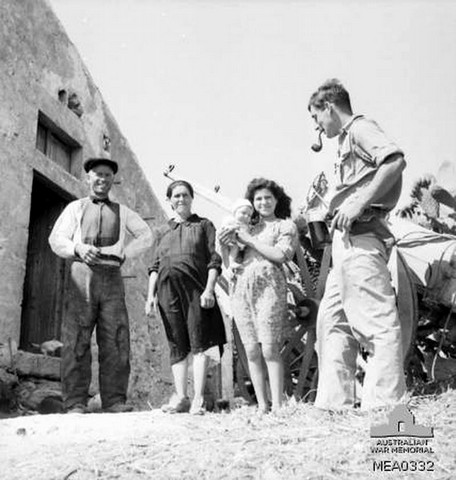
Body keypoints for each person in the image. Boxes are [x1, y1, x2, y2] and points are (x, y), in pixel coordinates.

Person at [307, 79, 407, 410]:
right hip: (346, 242)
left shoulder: (361, 128)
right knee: (332, 322)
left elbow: (394, 161)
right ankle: (333, 405)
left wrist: (358, 203)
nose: (317, 127)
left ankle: (385, 408)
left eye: (316, 117)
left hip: (361, 236)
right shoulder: (345, 140)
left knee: (377, 323)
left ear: (328, 107)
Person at [49, 156, 153, 413]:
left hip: (112, 277)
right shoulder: (75, 207)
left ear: (112, 180)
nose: (102, 179)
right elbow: (56, 238)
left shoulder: (123, 211)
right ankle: (75, 402)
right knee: (77, 336)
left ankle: (115, 400)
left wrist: (125, 254)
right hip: (81, 274)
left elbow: (146, 235)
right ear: (89, 178)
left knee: (116, 336)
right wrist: (78, 248)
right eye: (98, 174)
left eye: (107, 175)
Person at [145, 180, 226, 415]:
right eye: (176, 196)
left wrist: (209, 290)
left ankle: (198, 398)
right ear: (169, 201)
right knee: (177, 344)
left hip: (196, 291)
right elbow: (154, 267)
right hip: (167, 292)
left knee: (199, 342)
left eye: (185, 195)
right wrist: (150, 296)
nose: (181, 199)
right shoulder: (162, 231)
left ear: (191, 198)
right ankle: (181, 397)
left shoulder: (204, 225)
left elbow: (214, 260)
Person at [219, 178, 298, 413]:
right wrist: (226, 244)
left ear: (277, 200)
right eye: (258, 199)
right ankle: (262, 405)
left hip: (269, 287)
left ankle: (278, 404)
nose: (263, 203)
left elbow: (281, 255)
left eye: (268, 198)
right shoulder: (246, 227)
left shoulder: (284, 226)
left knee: (269, 348)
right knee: (251, 349)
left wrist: (250, 240)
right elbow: (230, 258)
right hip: (242, 289)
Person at [220, 198, 254, 278]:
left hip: (237, 243)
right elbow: (224, 228)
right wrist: (233, 228)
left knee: (235, 249)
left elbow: (246, 235)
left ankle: (231, 264)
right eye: (243, 213)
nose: (246, 216)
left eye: (249, 215)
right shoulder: (230, 220)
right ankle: (228, 265)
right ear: (235, 212)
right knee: (229, 250)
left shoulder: (245, 226)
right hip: (228, 240)